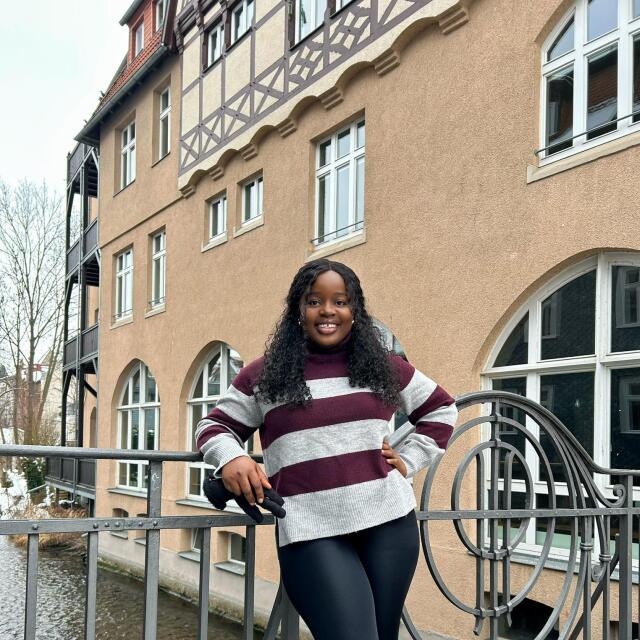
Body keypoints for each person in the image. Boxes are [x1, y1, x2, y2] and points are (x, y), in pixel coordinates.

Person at [195, 258, 458, 640]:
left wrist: (410, 459)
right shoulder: (263, 375)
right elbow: (213, 426)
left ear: (355, 310)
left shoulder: (384, 367)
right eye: (314, 301)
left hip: (389, 523)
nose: (328, 311)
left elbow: (442, 409)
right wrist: (232, 457)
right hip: (311, 531)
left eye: (341, 301)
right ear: (298, 309)